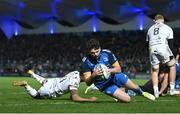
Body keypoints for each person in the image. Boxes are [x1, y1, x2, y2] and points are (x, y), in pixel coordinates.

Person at [81, 38, 155, 103]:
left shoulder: (107, 53)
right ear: (89, 52)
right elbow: (87, 82)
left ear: (100, 48)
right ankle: (121, 92)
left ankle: (142, 93)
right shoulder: (86, 62)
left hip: (115, 76)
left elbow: (118, 69)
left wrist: (108, 70)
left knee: (135, 88)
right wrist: (93, 75)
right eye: (92, 53)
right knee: (127, 99)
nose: (96, 54)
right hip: (104, 85)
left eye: (97, 51)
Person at [13, 69, 97, 102]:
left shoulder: (75, 72)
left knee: (44, 81)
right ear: (83, 75)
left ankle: (32, 74)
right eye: (88, 75)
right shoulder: (75, 81)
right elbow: (75, 98)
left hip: (52, 81)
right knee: (36, 95)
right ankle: (26, 84)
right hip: (50, 90)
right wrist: (89, 99)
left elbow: (71, 95)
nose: (89, 77)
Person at [146, 14, 177, 98]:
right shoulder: (168, 28)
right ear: (163, 20)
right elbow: (171, 44)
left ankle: (156, 92)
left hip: (152, 49)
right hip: (163, 47)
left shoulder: (150, 29)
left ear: (154, 21)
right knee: (172, 65)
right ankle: (172, 89)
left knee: (155, 70)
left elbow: (147, 44)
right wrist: (171, 56)